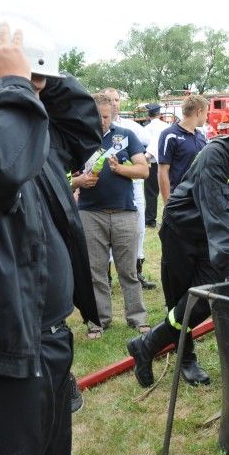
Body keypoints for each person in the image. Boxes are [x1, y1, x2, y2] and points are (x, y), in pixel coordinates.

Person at [0, 20, 100, 455]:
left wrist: (38, 72)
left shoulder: (28, 135)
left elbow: (82, 127)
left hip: (46, 344)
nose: (33, 89)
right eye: (25, 79)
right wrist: (13, 82)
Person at [127, 95, 229, 388]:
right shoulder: (216, 154)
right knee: (182, 298)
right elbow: (216, 212)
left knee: (202, 302)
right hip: (182, 232)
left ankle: (146, 345)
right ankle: (186, 358)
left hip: (213, 239)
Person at [74, 93, 150, 338]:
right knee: (95, 272)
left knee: (128, 271)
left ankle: (137, 318)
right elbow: (60, 178)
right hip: (89, 214)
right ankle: (98, 321)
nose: (101, 121)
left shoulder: (126, 136)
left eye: (106, 117)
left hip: (124, 213)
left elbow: (144, 170)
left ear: (114, 115)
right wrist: (79, 181)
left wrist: (121, 169)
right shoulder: (79, 139)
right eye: (97, 117)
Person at [102, 87, 152, 289]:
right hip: (104, 195)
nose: (115, 103)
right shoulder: (94, 126)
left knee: (137, 230)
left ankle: (136, 271)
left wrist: (131, 164)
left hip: (132, 187)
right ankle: (106, 275)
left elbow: (150, 147)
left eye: (117, 99)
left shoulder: (131, 128)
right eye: (110, 100)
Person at [157, 94, 208, 203]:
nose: (207, 117)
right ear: (199, 112)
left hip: (200, 200)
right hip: (179, 200)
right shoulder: (169, 135)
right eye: (206, 113)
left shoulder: (201, 136)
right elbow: (162, 171)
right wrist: (168, 204)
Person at [142, 102, 167, 228]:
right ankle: (167, 218)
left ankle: (150, 220)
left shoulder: (146, 128)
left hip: (151, 163)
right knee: (167, 191)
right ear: (159, 113)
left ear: (149, 114)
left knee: (151, 192)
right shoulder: (166, 126)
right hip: (166, 163)